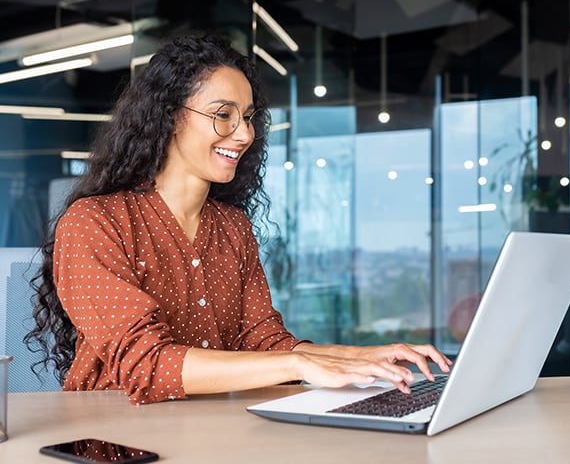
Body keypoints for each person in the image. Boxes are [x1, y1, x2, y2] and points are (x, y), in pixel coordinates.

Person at [27, 33, 452, 405]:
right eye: (223, 114)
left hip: (212, 428)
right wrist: (302, 362)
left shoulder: (232, 228)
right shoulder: (94, 222)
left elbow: (264, 342)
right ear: (171, 116)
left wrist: (362, 357)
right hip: (112, 438)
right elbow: (147, 363)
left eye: (247, 117)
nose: (245, 134)